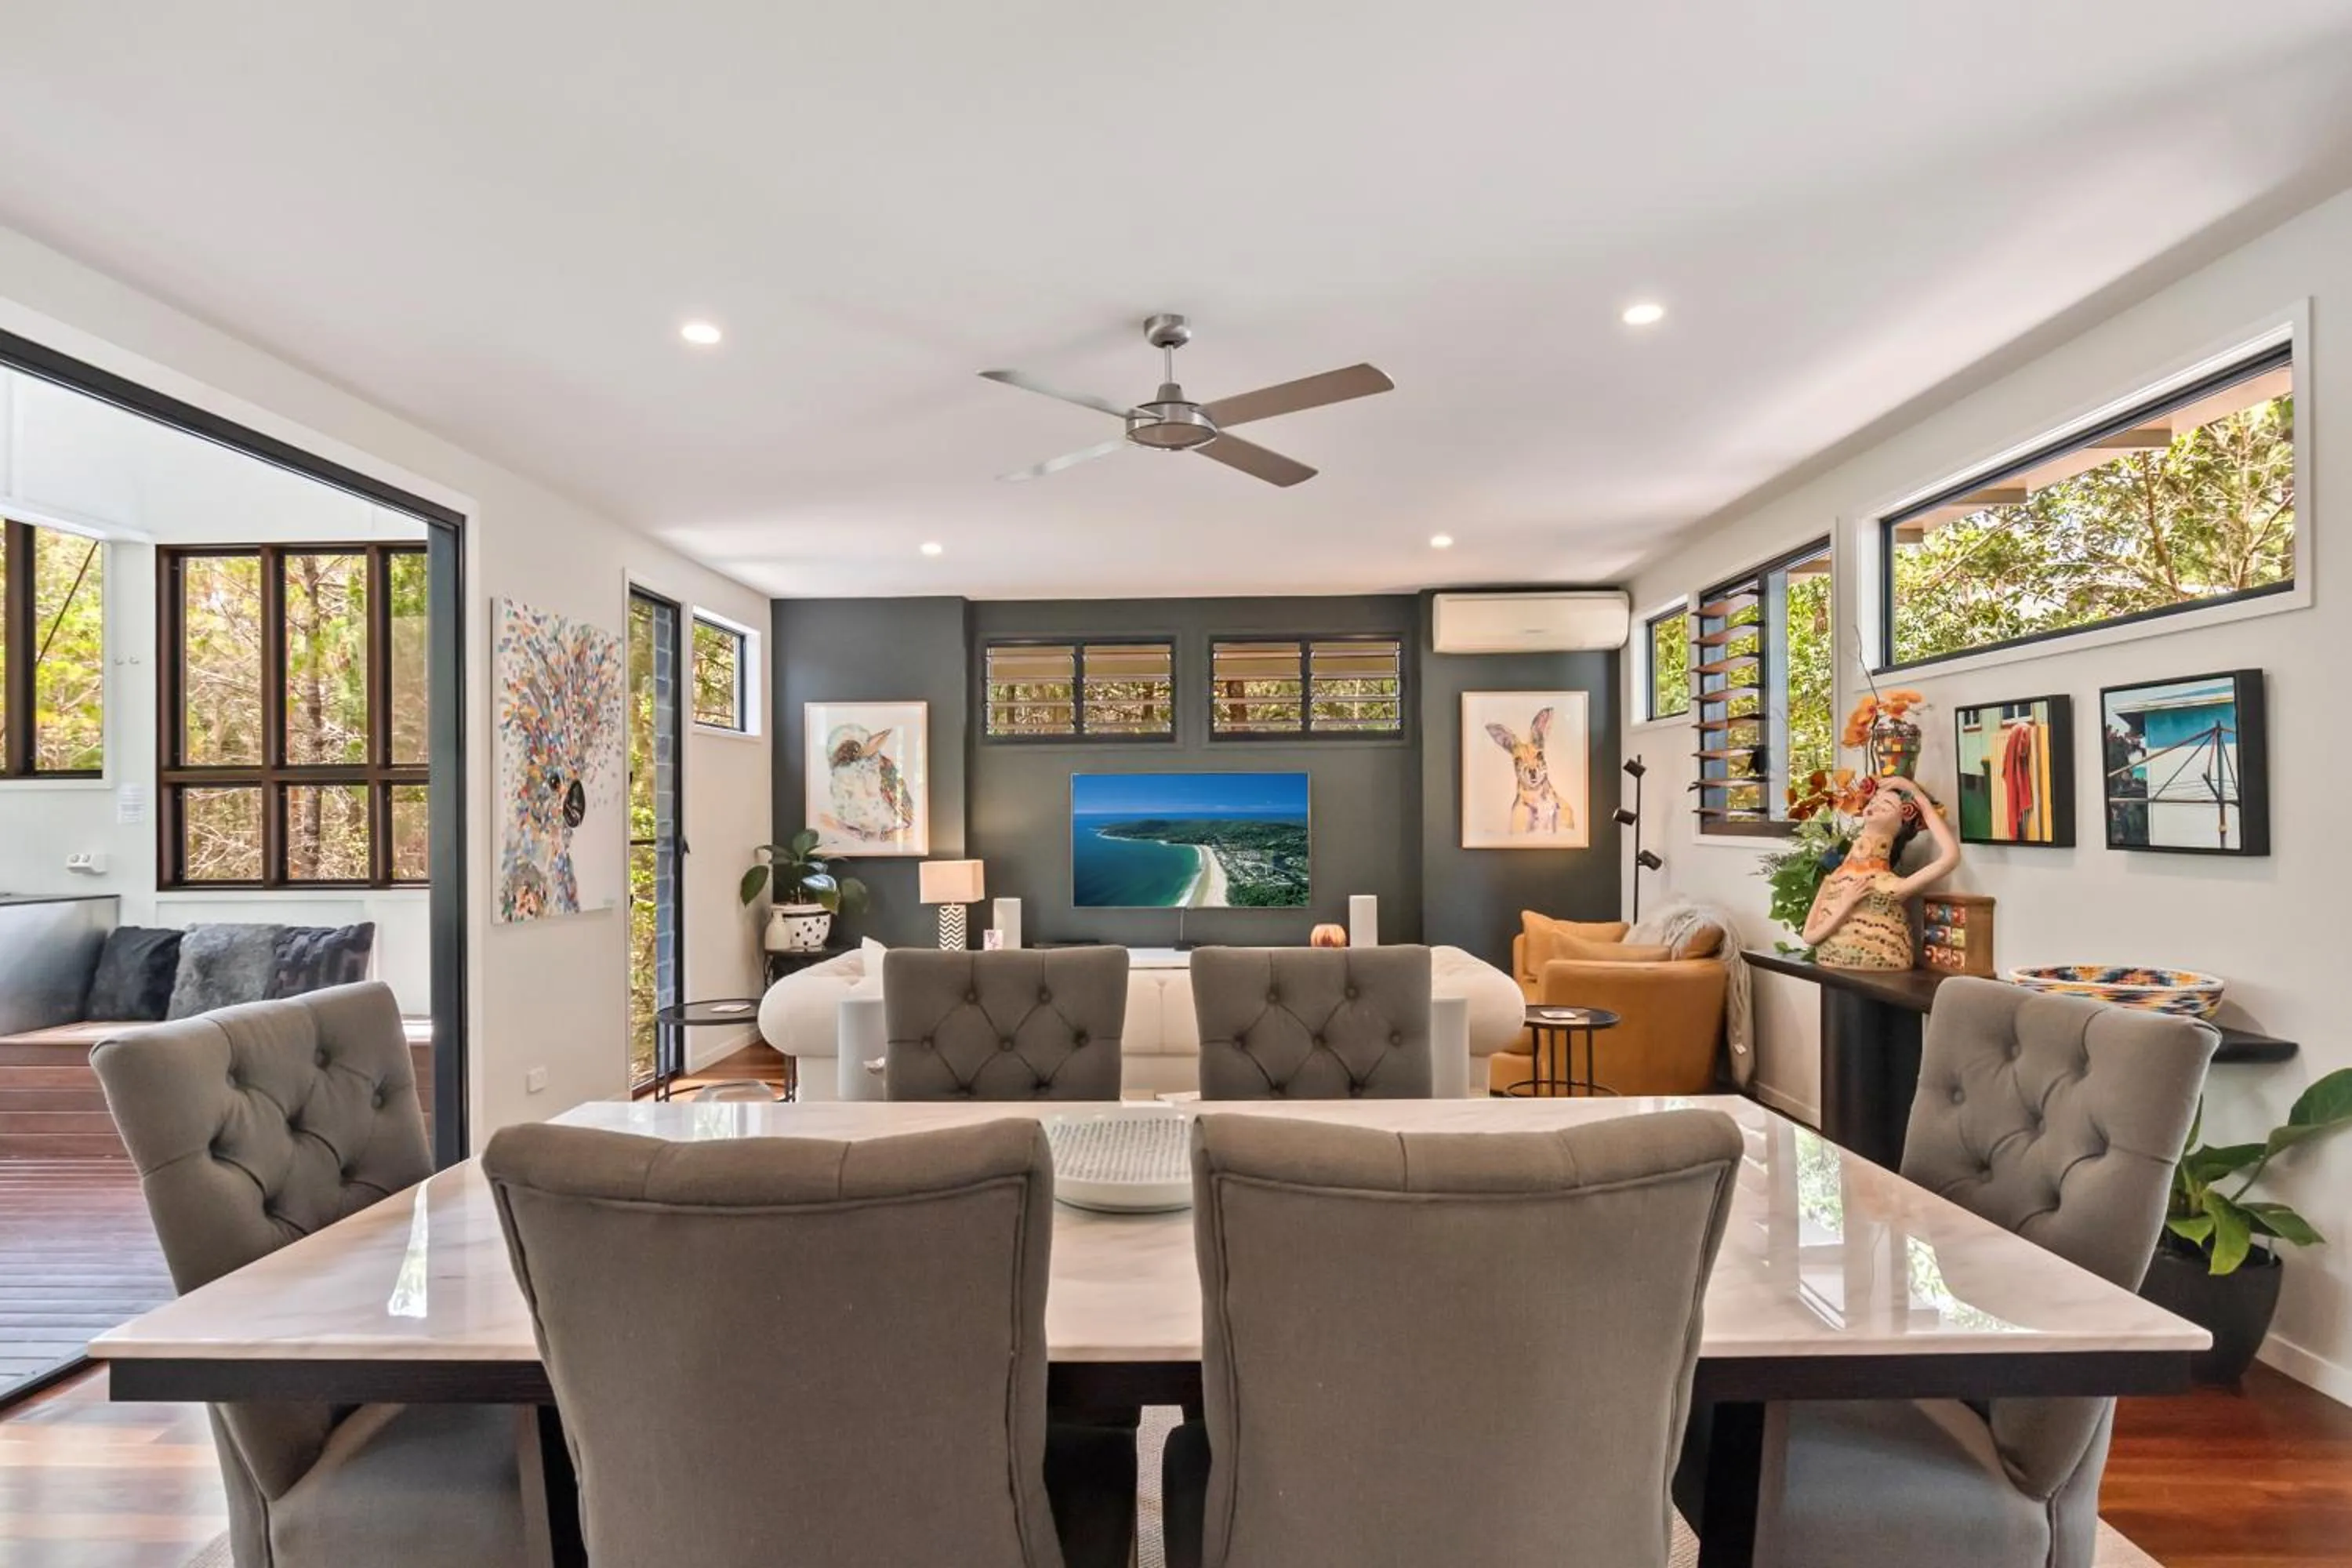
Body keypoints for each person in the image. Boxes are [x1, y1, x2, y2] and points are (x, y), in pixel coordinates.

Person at [1800, 775, 1961, 970]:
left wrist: (1918, 795)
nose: (1874, 807)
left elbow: (1950, 856)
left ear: (1903, 822)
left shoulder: (1887, 885)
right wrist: (1845, 905)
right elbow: (1809, 936)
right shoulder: (1835, 878)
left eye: (1885, 806)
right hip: (1832, 968)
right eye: (1873, 802)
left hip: (1883, 968)